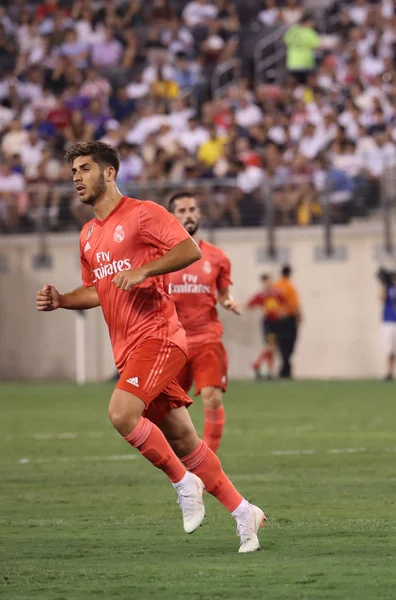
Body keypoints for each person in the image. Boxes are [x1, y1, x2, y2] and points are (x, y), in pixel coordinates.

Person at [35, 141, 265, 553]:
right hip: (128, 350)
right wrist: (64, 300)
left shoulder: (143, 214)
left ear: (109, 173)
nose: (76, 177)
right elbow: (99, 290)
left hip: (159, 336)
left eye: (85, 168)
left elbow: (188, 249)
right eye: (73, 171)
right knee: (184, 441)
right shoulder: (88, 235)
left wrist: (143, 270)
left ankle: (183, 484)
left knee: (121, 413)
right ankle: (244, 512)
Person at [166, 191, 240, 454]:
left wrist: (228, 300)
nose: (188, 215)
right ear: (172, 216)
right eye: (182, 211)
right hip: (174, 342)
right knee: (167, 410)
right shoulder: (162, 257)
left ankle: (206, 467)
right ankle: (184, 465)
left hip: (207, 336)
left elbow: (222, 293)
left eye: (192, 210)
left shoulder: (217, 257)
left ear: (199, 214)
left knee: (211, 397)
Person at [246, 274, 284, 380]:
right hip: (268, 323)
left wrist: (280, 312)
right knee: (270, 347)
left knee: (273, 349)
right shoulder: (261, 296)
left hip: (277, 322)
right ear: (263, 283)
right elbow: (249, 305)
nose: (268, 284)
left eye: (269, 281)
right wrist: (261, 309)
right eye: (266, 282)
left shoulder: (277, 294)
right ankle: (257, 364)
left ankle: (269, 371)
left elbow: (283, 303)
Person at [274, 265, 302, 379]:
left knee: (281, 344)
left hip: (277, 319)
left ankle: (285, 367)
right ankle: (286, 368)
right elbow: (294, 304)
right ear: (289, 274)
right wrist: (299, 316)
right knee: (290, 343)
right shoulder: (290, 287)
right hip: (289, 319)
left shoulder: (275, 286)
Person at [380, 271, 396, 380]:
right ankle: (389, 373)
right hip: (388, 322)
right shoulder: (388, 287)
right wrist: (383, 284)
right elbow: (381, 298)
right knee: (390, 349)